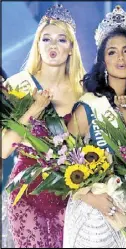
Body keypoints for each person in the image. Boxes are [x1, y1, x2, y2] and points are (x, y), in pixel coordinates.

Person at [63, 6, 126, 248]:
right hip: (94, 216)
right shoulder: (88, 106)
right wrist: (94, 199)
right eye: (112, 52)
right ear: (103, 62)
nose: (120, 58)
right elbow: (62, 162)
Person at [2, 4, 85, 247]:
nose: (52, 45)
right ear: (37, 44)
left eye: (61, 40)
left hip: (69, 193)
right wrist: (34, 110)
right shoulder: (19, 85)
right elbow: (4, 149)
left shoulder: (82, 91)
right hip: (27, 192)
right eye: (46, 39)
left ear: (71, 48)